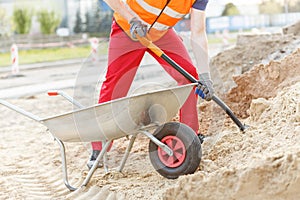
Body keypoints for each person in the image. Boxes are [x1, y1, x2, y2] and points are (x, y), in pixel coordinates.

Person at [87, 0, 214, 169]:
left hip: (161, 34)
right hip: (128, 30)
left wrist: (205, 75)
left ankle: (190, 135)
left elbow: (198, 32)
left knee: (189, 77)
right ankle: (99, 147)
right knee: (115, 86)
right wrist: (132, 18)